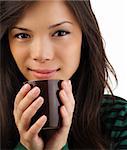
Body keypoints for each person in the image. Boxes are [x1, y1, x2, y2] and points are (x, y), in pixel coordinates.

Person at [0, 0, 127, 150]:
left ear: (85, 37)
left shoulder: (119, 119)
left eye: (60, 33)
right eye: (22, 35)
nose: (41, 55)